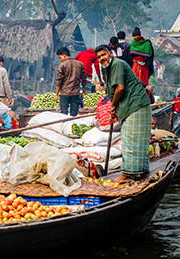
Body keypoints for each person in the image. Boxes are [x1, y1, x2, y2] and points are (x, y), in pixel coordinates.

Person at [95, 44, 151, 183]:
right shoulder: (107, 69)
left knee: (129, 140)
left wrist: (112, 106)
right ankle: (141, 169)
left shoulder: (117, 64)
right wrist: (114, 108)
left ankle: (127, 174)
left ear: (111, 54)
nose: (102, 58)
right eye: (99, 57)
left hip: (136, 104)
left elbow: (120, 88)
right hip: (133, 106)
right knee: (136, 139)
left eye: (104, 55)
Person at [55, 47, 86, 116]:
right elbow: (84, 79)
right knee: (74, 114)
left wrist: (56, 94)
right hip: (76, 93)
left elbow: (59, 81)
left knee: (63, 113)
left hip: (64, 93)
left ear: (64, 55)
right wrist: (83, 91)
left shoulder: (62, 65)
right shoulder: (80, 64)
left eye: (60, 57)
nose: (60, 60)